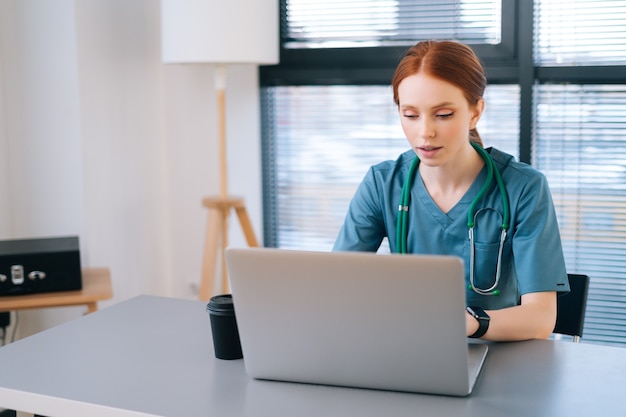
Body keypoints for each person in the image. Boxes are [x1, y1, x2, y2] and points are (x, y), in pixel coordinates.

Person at [332, 40, 569, 341]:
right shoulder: (383, 183)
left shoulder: (524, 187)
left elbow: (541, 318)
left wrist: (469, 323)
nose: (425, 132)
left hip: (498, 359)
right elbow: (337, 285)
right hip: (408, 350)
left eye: (443, 115)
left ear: (475, 112)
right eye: (410, 115)